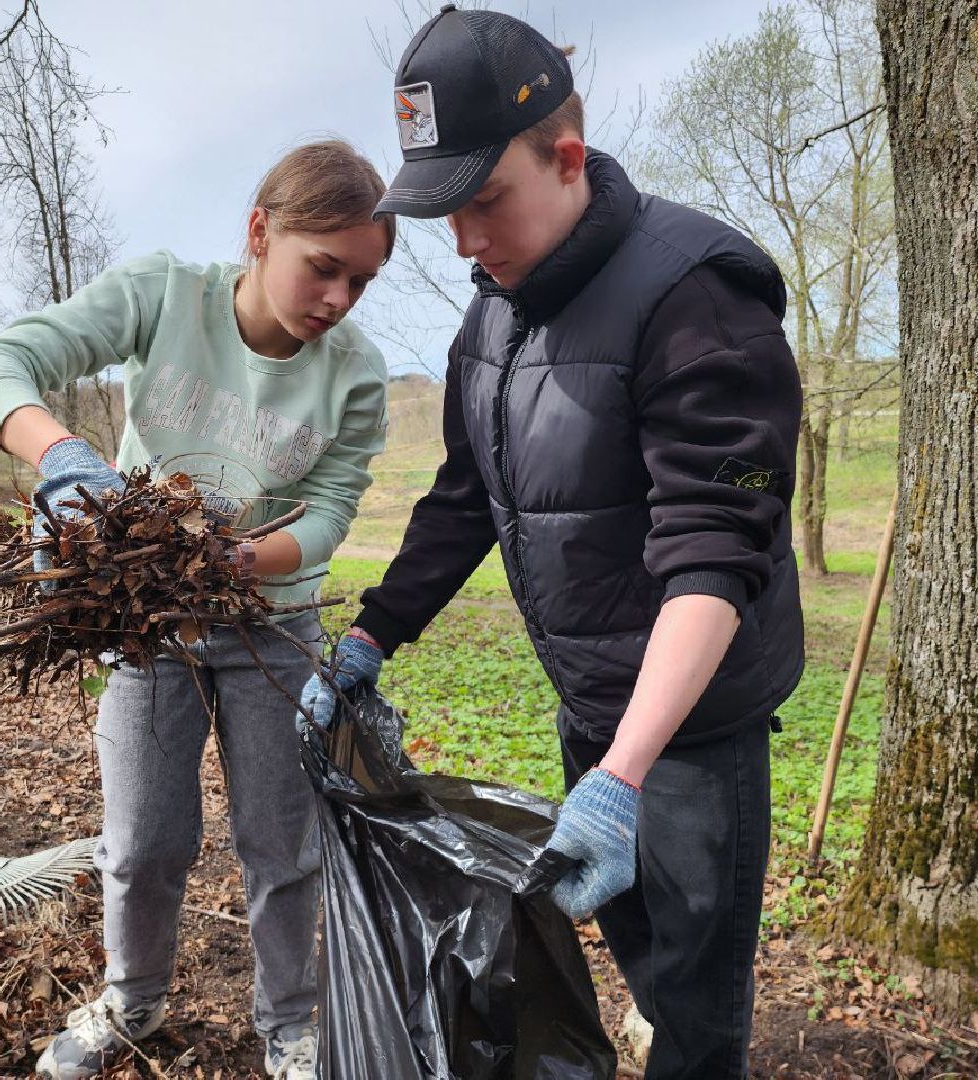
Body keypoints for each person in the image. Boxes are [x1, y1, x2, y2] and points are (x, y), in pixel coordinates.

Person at [301, 9, 804, 1078]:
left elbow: (717, 549)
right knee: (641, 956)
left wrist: (625, 774)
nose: (466, 242)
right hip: (591, 711)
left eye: (485, 202)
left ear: (565, 157)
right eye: (446, 211)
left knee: (701, 1007)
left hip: (692, 736)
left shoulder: (698, 294)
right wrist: (371, 639)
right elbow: (465, 498)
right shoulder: (492, 318)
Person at [0, 139, 396, 1080]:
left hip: (273, 629)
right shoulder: (165, 295)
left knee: (282, 844)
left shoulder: (355, 373)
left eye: (361, 280)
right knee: (145, 838)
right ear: (260, 231)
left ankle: (291, 1025)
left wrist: (236, 560)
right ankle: (133, 1000)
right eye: (324, 267)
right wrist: (64, 459)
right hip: (149, 628)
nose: (338, 299)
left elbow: (329, 513)